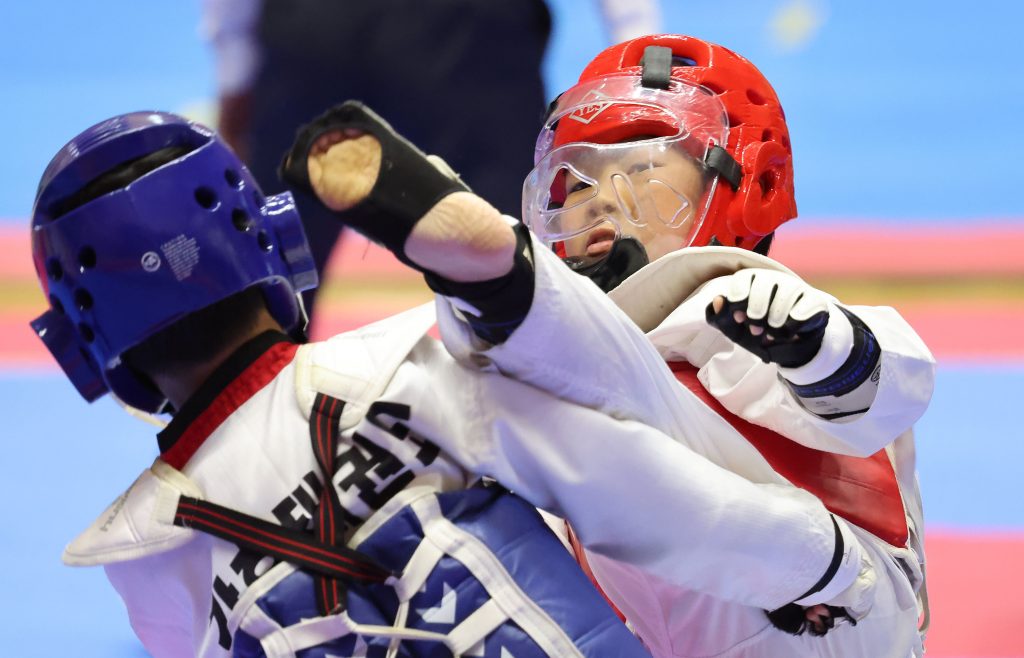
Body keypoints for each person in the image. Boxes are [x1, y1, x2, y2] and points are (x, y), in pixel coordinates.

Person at [277, 38, 934, 657]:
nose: (596, 204)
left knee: (564, 395)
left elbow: (888, 389)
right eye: (576, 183)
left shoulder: (743, 309)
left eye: (639, 170)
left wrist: (829, 351)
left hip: (836, 607)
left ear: (747, 186)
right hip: (665, 623)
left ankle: (481, 270)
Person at [202, 0, 662, 318]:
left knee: (270, 270)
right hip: (460, 35)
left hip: (331, 32)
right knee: (516, 262)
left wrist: (235, 65)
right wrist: (639, 42)